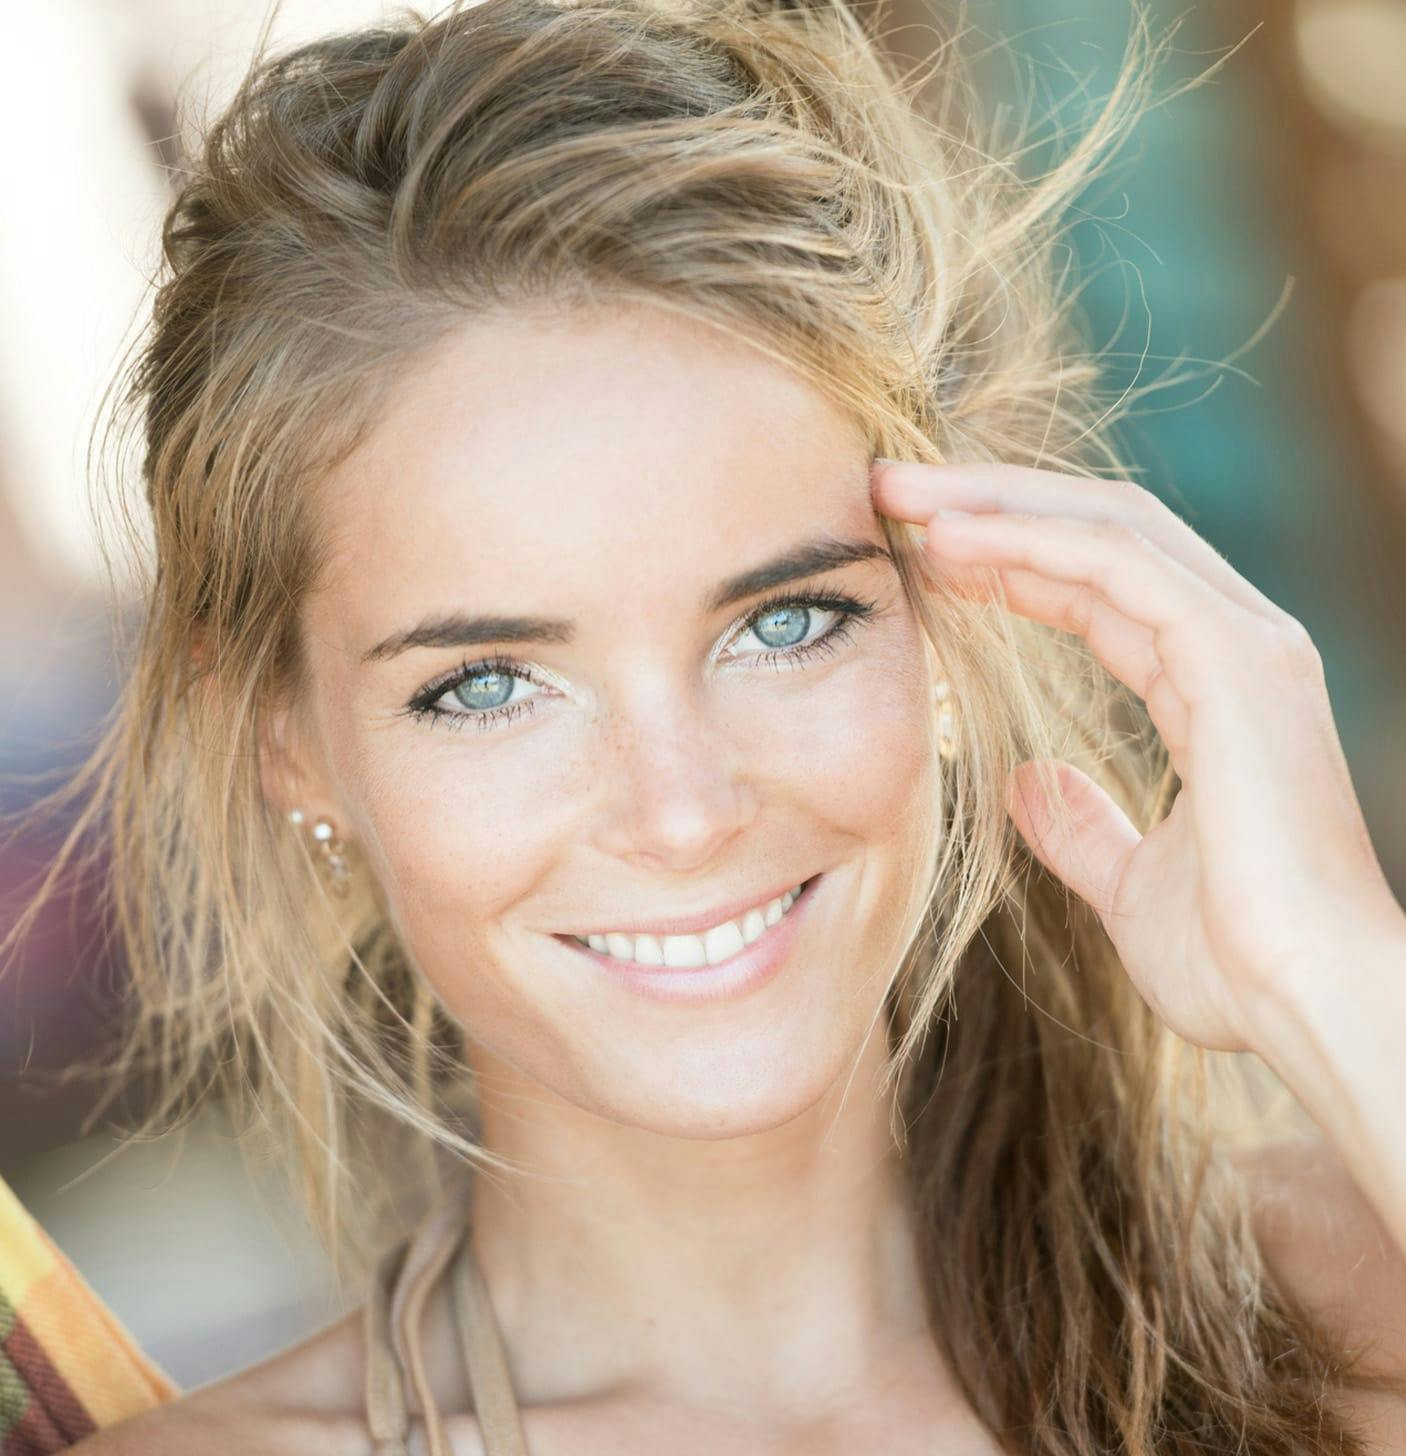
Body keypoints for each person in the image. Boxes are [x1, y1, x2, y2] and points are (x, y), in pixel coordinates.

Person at [4, 0, 1405, 1450]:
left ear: (947, 614)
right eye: (486, 684)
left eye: (783, 623)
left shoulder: (1344, 1305)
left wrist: (1332, 976)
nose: (680, 811)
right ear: (287, 740)